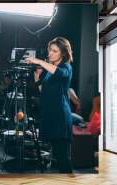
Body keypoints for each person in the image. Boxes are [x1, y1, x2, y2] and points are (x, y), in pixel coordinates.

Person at [25, 37, 74, 174]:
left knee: (63, 158)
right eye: (49, 50)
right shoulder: (49, 71)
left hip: (60, 117)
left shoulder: (66, 67)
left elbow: (59, 73)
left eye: (54, 51)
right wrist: (37, 76)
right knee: (58, 157)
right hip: (50, 116)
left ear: (63, 53)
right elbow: (43, 92)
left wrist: (38, 61)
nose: (50, 54)